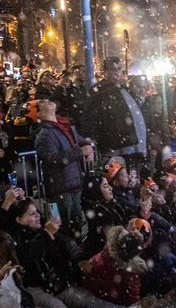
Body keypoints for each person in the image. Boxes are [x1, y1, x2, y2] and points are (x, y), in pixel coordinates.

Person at [32, 98, 94, 242]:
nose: (47, 100)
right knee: (65, 229)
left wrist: (89, 146)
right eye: (42, 102)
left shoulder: (64, 126)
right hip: (61, 188)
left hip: (73, 184)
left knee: (76, 224)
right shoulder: (44, 134)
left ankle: (77, 252)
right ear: (39, 114)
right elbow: (53, 158)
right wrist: (81, 152)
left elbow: (80, 140)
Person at [79, 57, 146, 161]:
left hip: (130, 145)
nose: (117, 72)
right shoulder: (100, 90)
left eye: (119, 69)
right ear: (105, 72)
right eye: (113, 69)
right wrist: (89, 141)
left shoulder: (121, 88)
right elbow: (89, 118)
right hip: (115, 147)